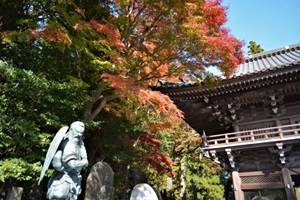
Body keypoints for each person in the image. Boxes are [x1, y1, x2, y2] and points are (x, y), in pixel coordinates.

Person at [47, 121, 88, 200]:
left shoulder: (79, 143)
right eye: (77, 133)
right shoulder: (69, 144)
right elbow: (72, 164)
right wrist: (84, 162)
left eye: (80, 133)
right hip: (64, 178)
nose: (78, 136)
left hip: (73, 178)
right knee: (60, 195)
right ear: (72, 130)